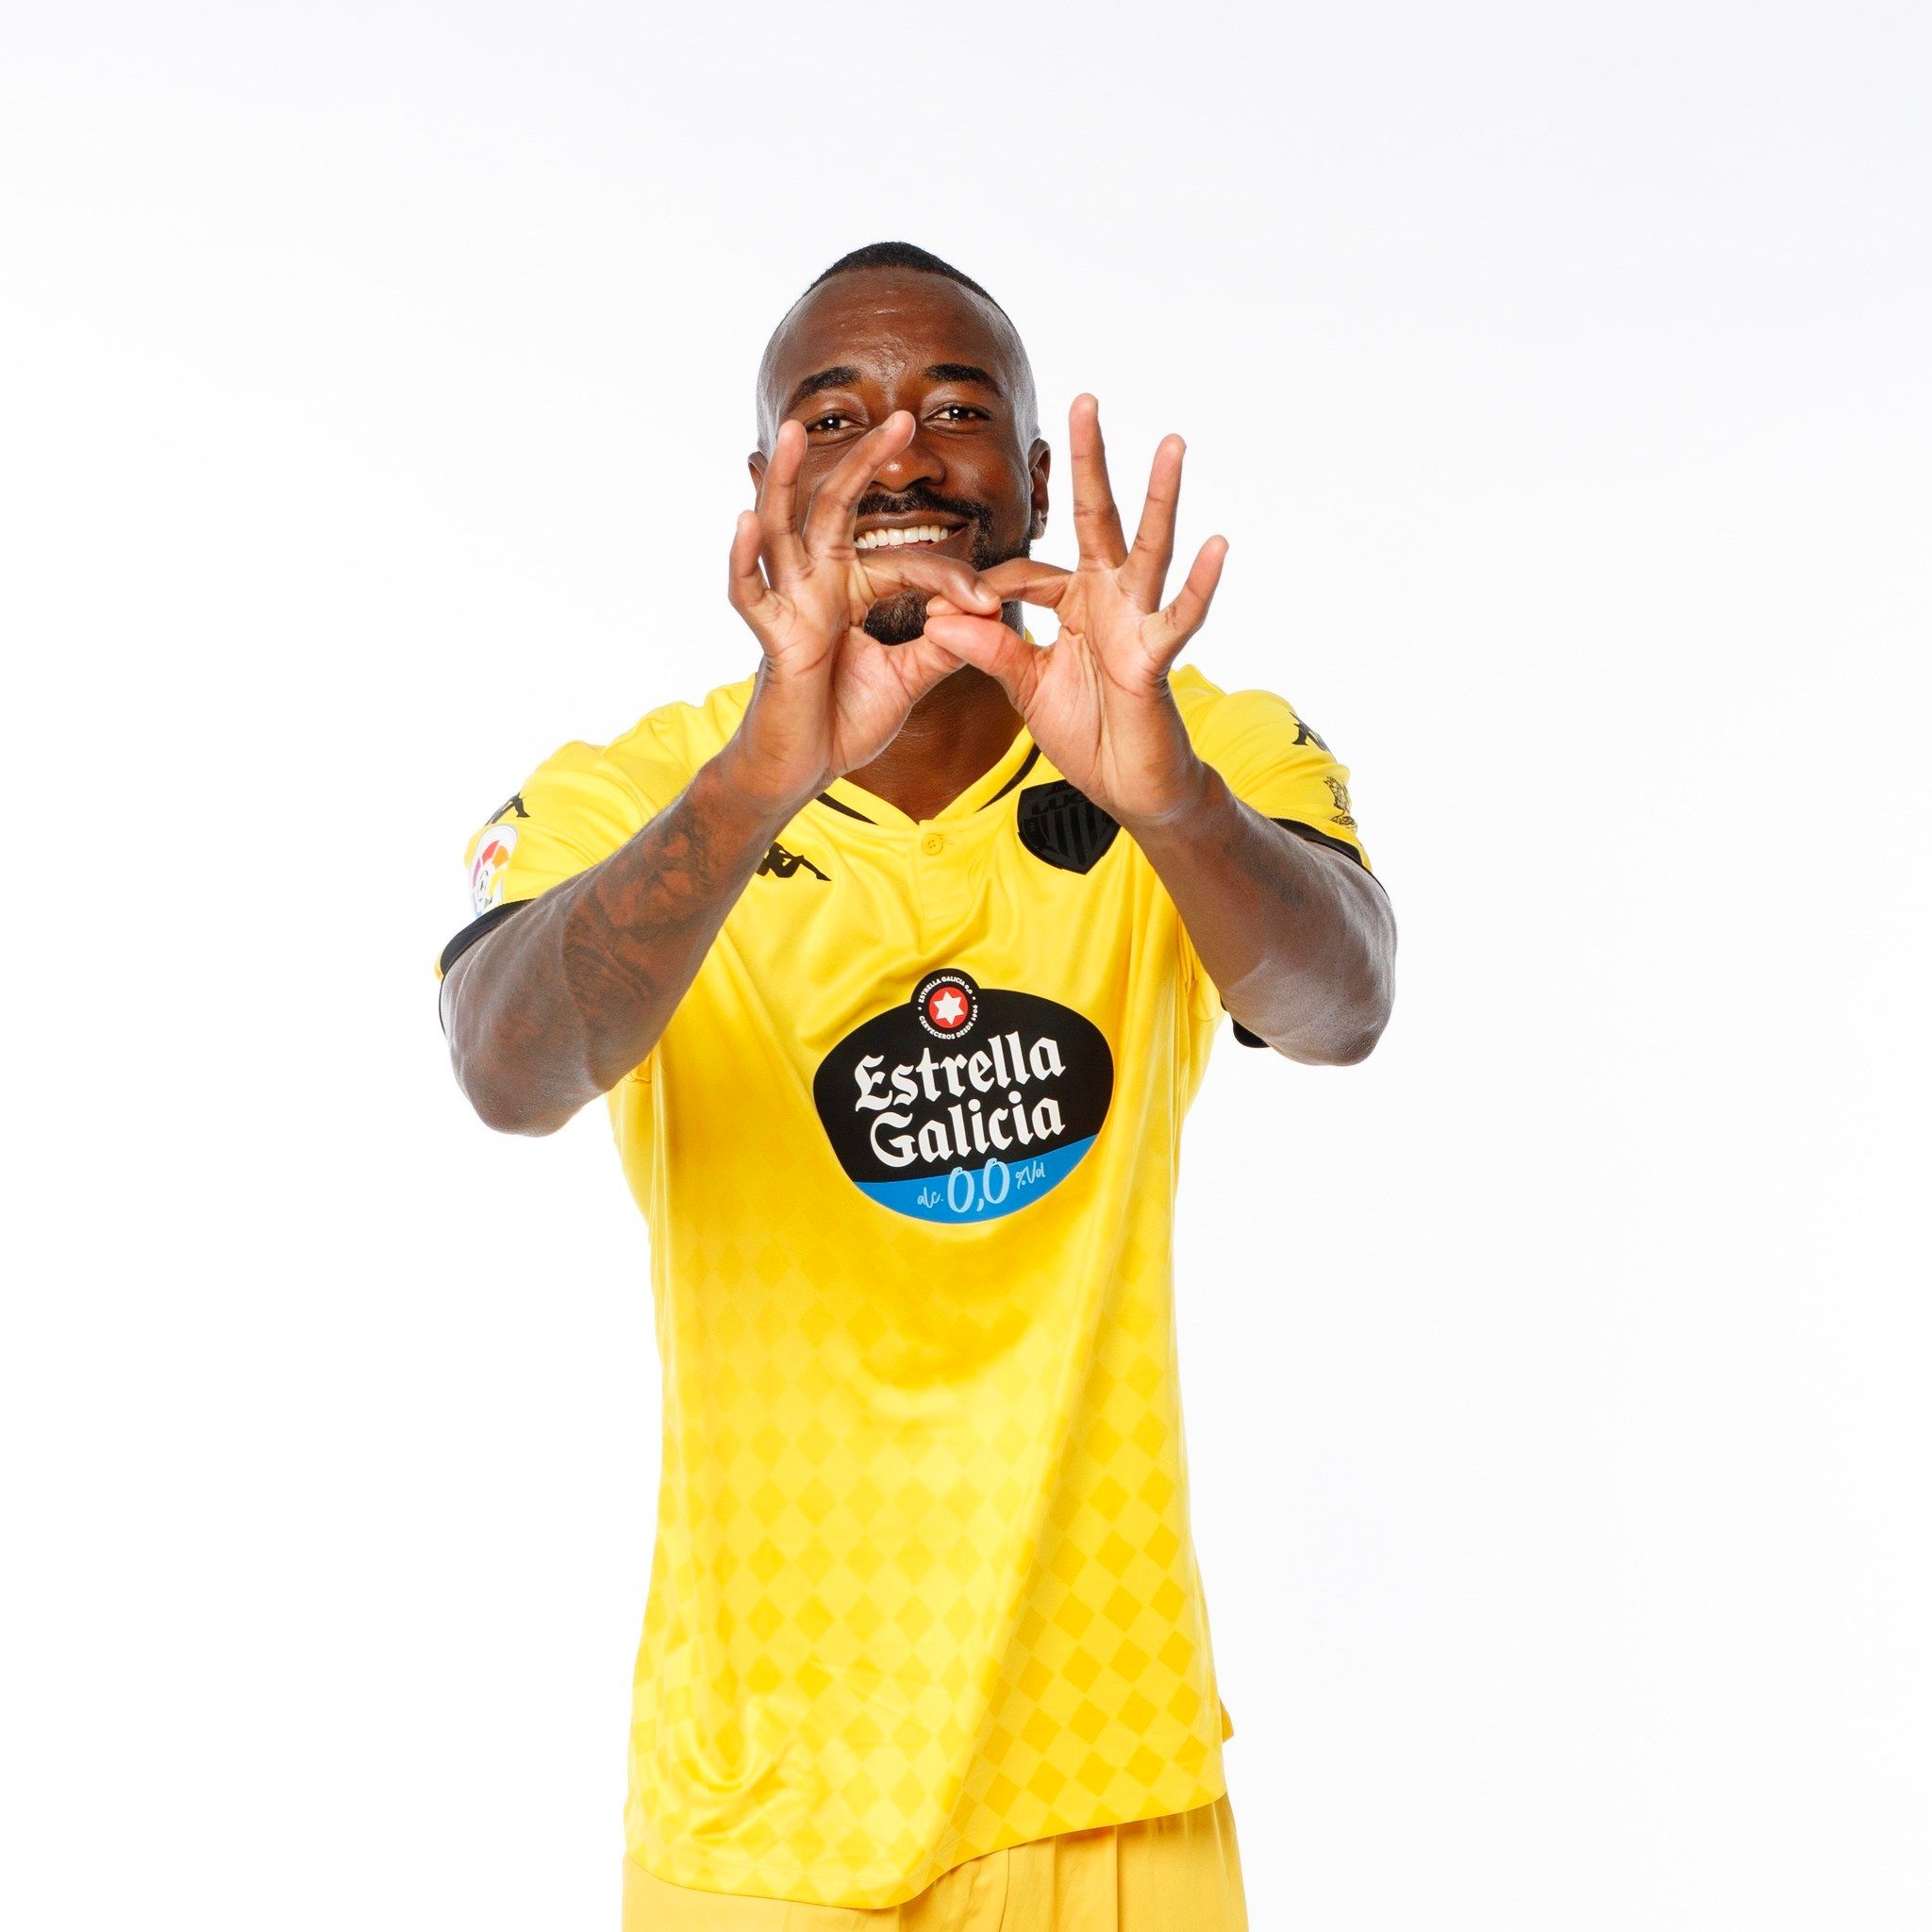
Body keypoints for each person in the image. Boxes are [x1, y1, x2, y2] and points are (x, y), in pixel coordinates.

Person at [435, 241, 1395, 1929]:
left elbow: (1342, 1008)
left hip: (1107, 1774)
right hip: (761, 1813)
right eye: (836, 416)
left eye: (954, 411)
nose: (898, 452)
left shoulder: (1188, 744)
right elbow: (508, 1072)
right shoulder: (640, 792)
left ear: (1027, 477)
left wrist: (1168, 799)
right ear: (762, 486)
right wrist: (763, 774)